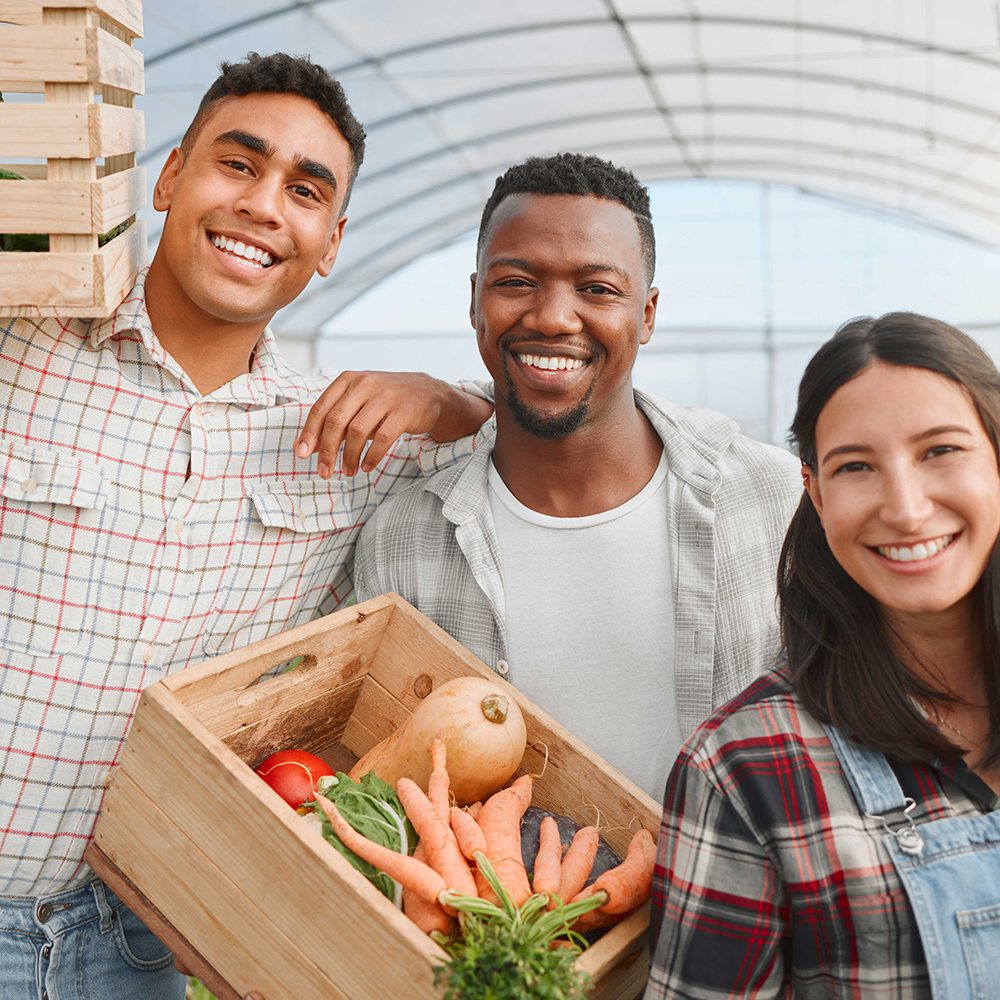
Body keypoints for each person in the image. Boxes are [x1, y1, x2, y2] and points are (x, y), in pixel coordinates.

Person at [0, 52, 491, 999]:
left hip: (139, 936)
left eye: (305, 191)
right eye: (238, 164)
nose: (266, 205)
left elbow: (538, 436)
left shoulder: (341, 436)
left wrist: (436, 394)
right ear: (171, 176)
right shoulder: (20, 348)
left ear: (331, 240)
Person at [355, 152, 801, 802]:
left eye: (597, 289)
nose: (553, 317)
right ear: (475, 301)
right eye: (517, 282)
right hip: (504, 904)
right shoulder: (403, 540)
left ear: (646, 315)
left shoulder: (769, 498)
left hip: (733, 902)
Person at [645, 312, 1000, 999]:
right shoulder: (745, 767)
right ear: (814, 492)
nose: (905, 507)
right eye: (856, 466)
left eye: (940, 451)